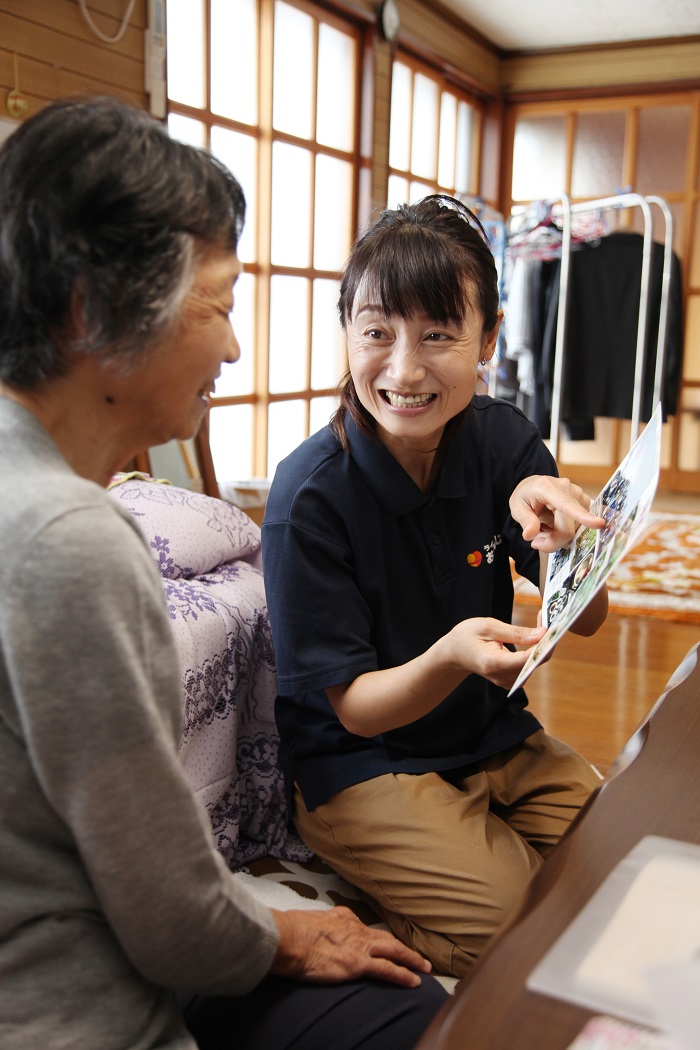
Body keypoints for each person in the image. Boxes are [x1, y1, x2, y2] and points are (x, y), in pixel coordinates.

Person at [0, 97, 448, 1050]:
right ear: (92, 310)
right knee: (416, 1012)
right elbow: (172, 917)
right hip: (72, 1007)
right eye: (220, 302)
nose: (236, 346)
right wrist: (291, 936)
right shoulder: (67, 538)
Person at [261, 194, 609, 980]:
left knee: (626, 866)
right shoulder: (309, 496)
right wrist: (452, 656)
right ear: (347, 330)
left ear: (488, 338)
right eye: (377, 332)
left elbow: (586, 624)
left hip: (493, 739)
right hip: (364, 769)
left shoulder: (502, 438)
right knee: (531, 928)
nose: (405, 369)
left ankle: (472, 855)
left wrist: (567, 553)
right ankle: (389, 911)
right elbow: (351, 708)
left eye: (439, 335)